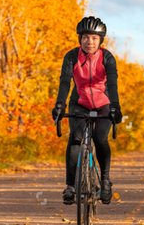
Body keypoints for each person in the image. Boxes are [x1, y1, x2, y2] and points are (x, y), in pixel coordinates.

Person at [52, 16, 123, 205]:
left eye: (93, 38)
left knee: (100, 139)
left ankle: (105, 181)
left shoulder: (107, 57)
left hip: (103, 103)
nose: (89, 41)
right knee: (75, 138)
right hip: (79, 103)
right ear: (79, 39)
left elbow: (113, 83)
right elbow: (65, 82)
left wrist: (115, 105)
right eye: (85, 37)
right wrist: (60, 105)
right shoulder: (71, 56)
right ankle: (70, 187)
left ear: (100, 40)